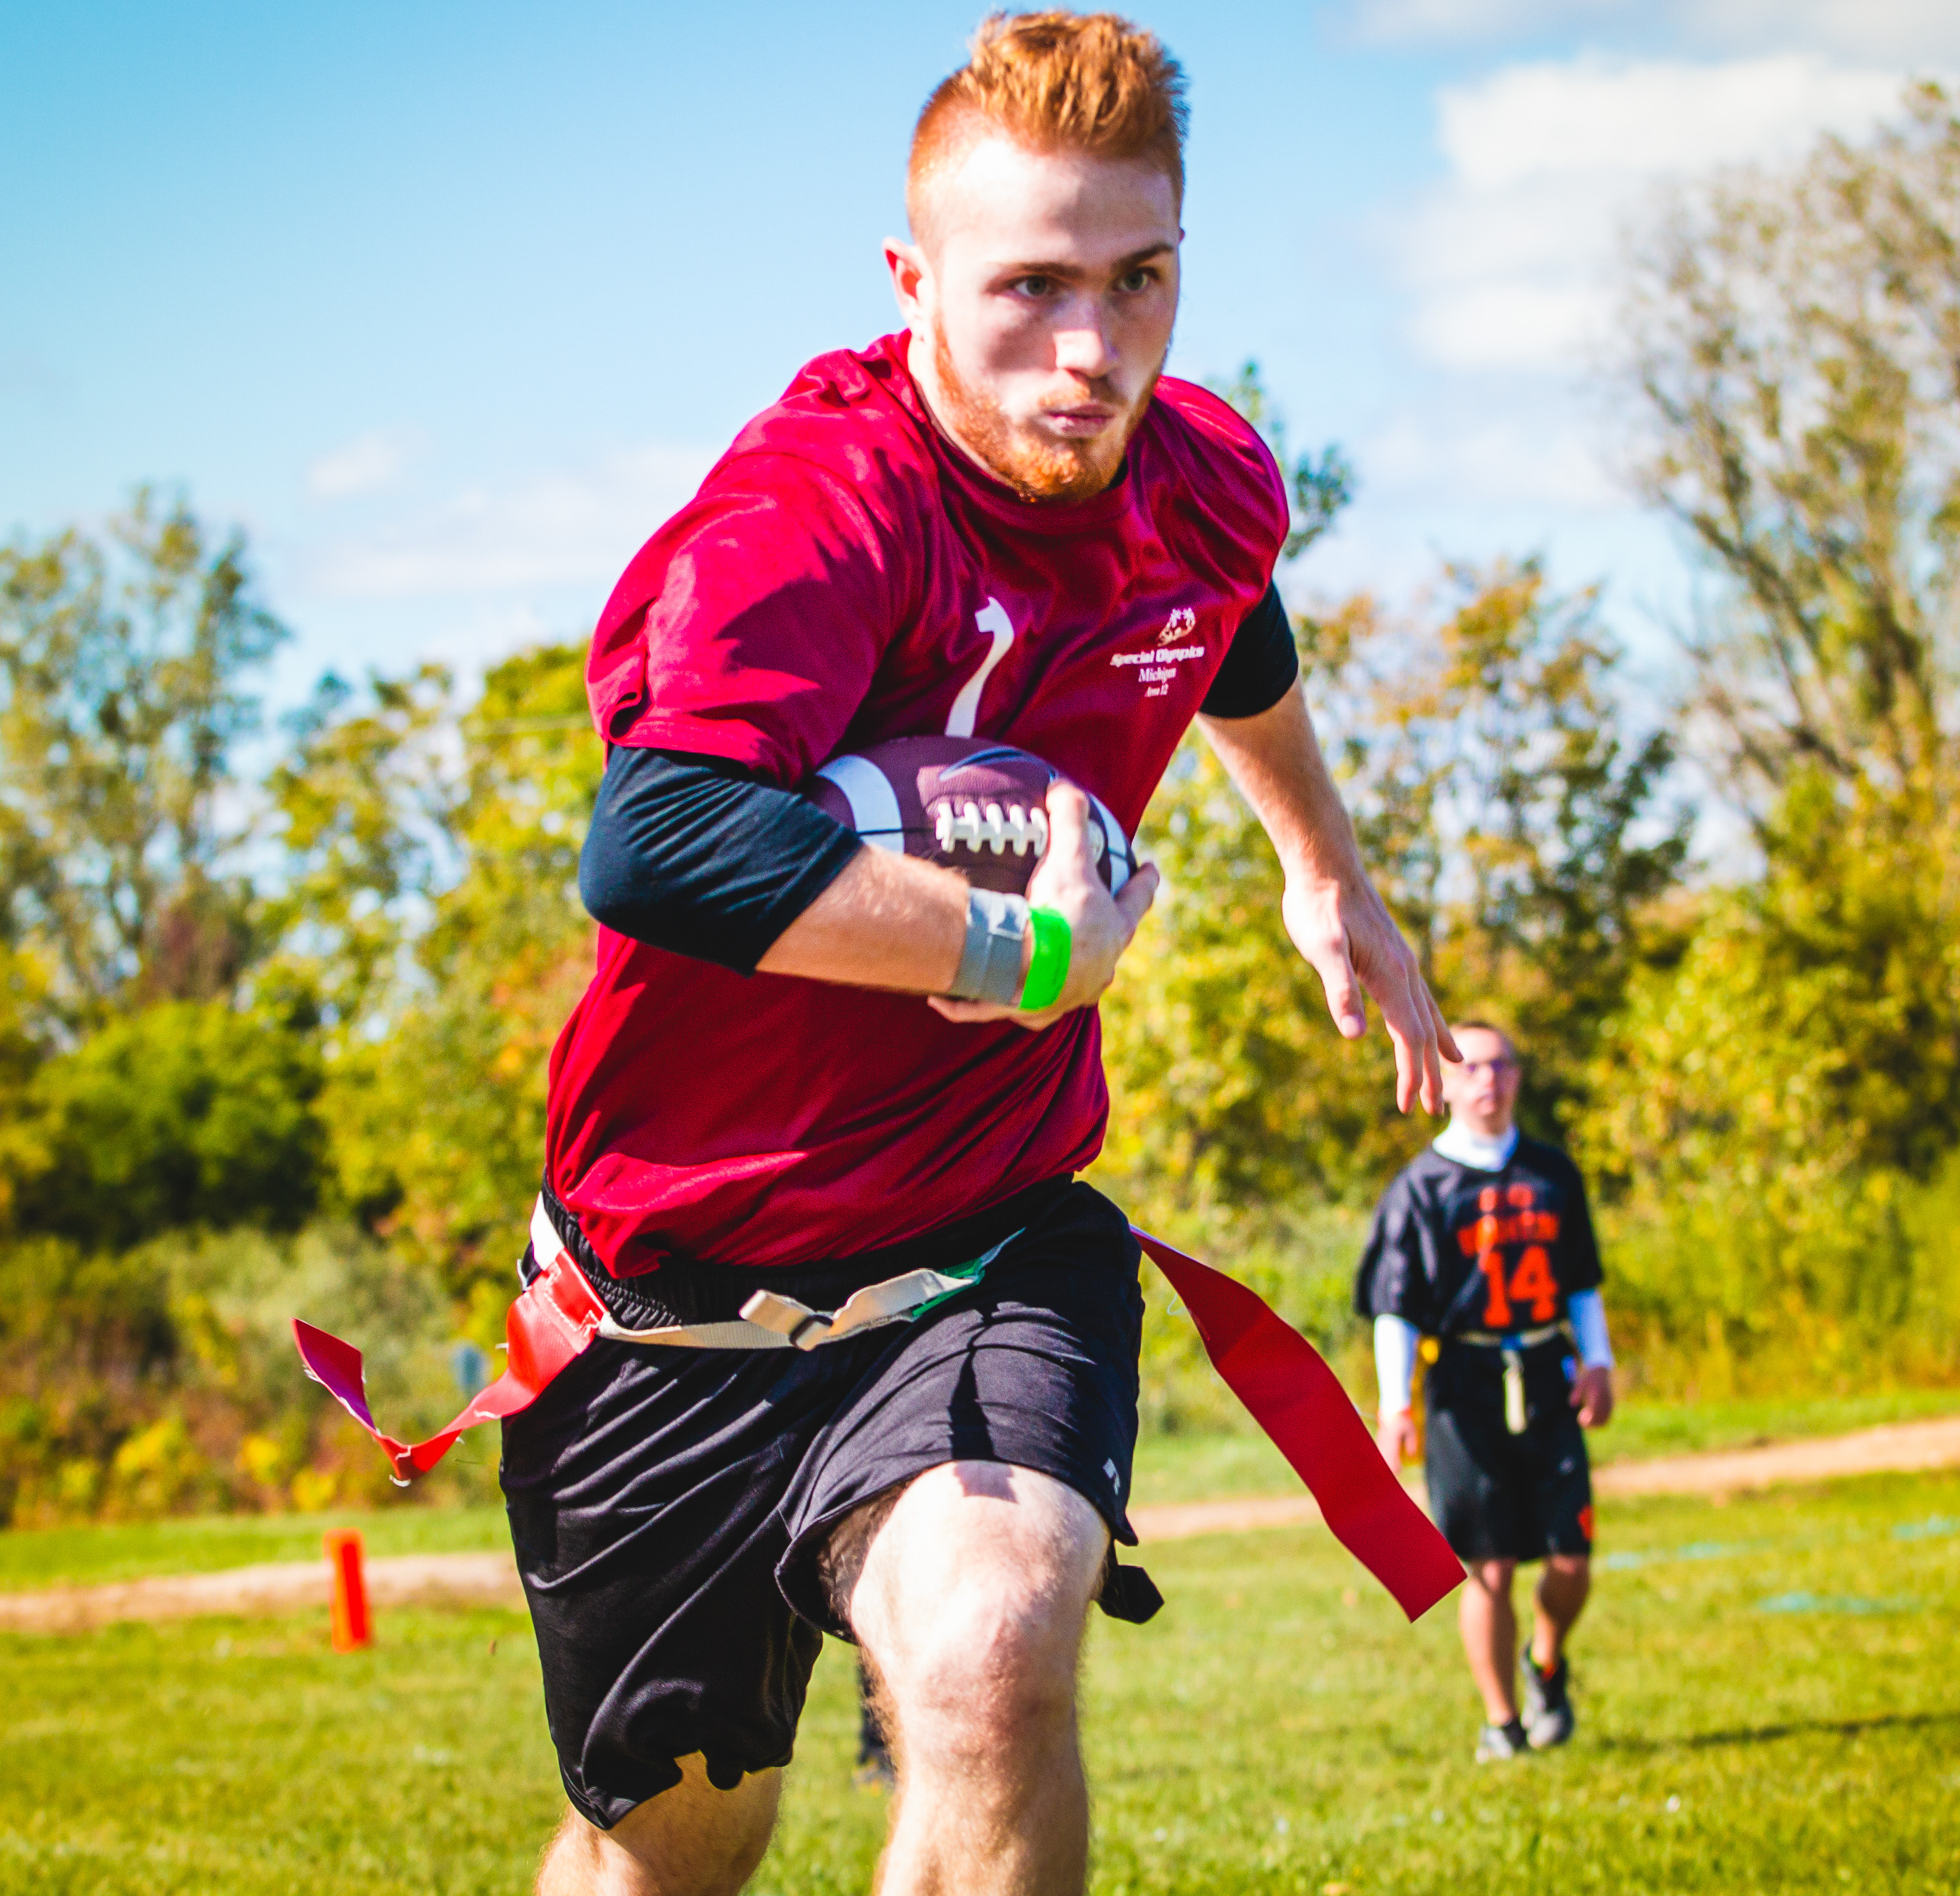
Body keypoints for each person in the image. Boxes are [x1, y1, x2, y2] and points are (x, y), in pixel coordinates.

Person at [509, 15, 1454, 1894]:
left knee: (995, 1647)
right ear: (911, 280)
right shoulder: (809, 515)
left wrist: (1325, 869)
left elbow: (1233, 629)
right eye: (1028, 290)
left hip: (984, 1238)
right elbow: (661, 844)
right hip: (672, 1296)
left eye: (1141, 280)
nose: (1092, 353)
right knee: (670, 1853)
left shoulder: (1207, 478)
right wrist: (1027, 954)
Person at [1357, 1023, 1616, 1760]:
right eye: (1471, 1067)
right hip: (1465, 1386)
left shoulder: (1551, 1172)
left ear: (1518, 1077)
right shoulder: (1422, 1187)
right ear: (1447, 1082)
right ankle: (1503, 1722)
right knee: (1488, 1565)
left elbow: (1583, 1282)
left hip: (1546, 1373)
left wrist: (1597, 1361)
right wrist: (1396, 1404)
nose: (1489, 1080)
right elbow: (1396, 1307)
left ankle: (1547, 1661)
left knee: (1573, 1558)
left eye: (1502, 1065)